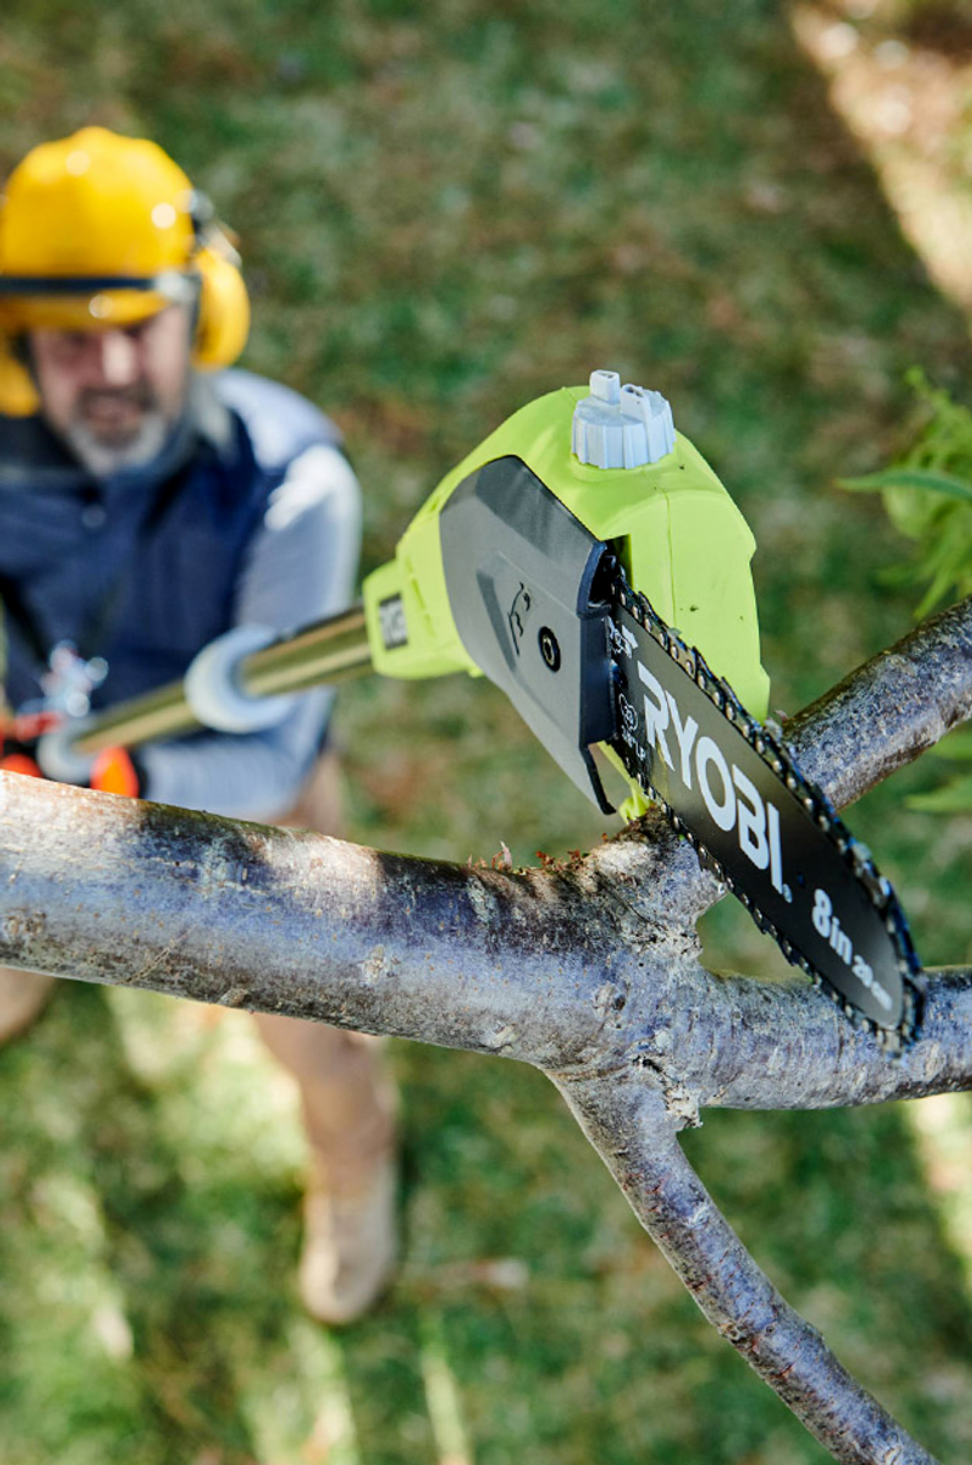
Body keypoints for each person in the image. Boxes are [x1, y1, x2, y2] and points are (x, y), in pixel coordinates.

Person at [0, 126, 397, 1325]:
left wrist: (112, 775)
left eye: (139, 323)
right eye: (70, 338)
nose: (108, 365)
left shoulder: (286, 484)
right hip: (28, 783)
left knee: (314, 1036)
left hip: (240, 816)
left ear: (203, 313)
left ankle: (354, 1169)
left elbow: (270, 747)